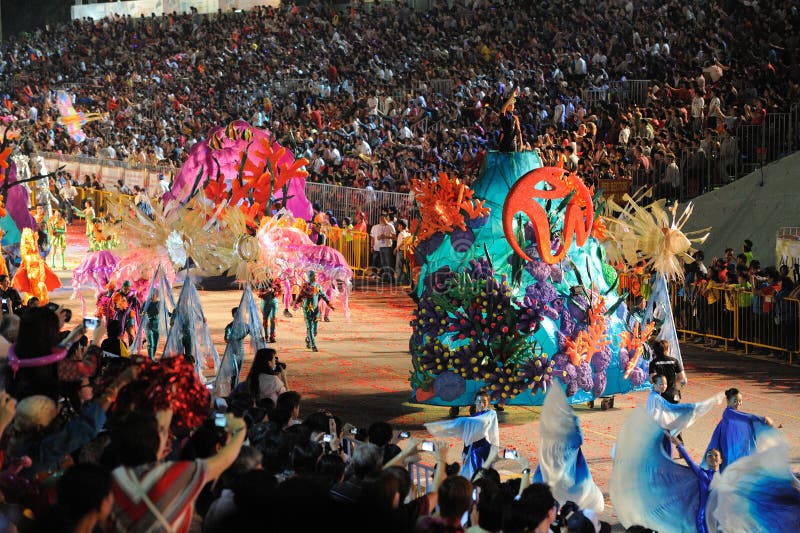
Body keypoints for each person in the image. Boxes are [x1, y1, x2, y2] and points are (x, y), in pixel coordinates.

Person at [108, 409, 246, 532]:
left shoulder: (112, 479)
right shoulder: (169, 476)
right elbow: (223, 460)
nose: (168, 435)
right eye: (162, 431)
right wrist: (240, 429)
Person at [425, 391, 499, 480]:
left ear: (488, 403)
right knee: (475, 474)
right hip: (474, 449)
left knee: (486, 473)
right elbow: (468, 435)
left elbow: (492, 432)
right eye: (479, 401)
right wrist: (465, 451)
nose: (482, 404)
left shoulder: (491, 414)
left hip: (486, 447)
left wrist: (494, 448)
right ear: (475, 402)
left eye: (484, 402)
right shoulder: (472, 418)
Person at [704, 387, 775, 472]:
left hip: (730, 446)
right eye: (735, 401)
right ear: (728, 401)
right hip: (728, 446)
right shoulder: (730, 413)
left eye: (740, 401)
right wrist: (763, 419)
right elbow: (746, 417)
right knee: (729, 464)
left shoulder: (731, 414)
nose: (738, 403)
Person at [670, 435, 721, 533]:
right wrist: (679, 445)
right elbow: (690, 462)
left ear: (721, 460)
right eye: (709, 455)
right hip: (703, 518)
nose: (713, 457)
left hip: (720, 518)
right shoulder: (703, 475)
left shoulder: (725, 476)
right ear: (706, 460)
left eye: (716, 455)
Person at [11, 228, 62, 305]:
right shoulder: (27, 257)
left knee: (41, 290)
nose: (33, 245)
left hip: (40, 278)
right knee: (33, 294)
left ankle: (41, 305)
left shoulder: (36, 255)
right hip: (32, 279)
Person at [294, 271, 334, 352]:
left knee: (315, 331)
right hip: (307, 309)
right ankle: (313, 345)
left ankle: (308, 339)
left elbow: (323, 295)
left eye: (316, 276)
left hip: (316, 310)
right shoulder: (305, 286)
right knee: (309, 327)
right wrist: (296, 304)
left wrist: (329, 303)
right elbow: (300, 296)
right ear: (310, 276)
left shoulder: (318, 286)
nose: (316, 277)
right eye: (314, 276)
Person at [647, 339, 686, 403]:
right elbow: (682, 376)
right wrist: (673, 382)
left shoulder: (654, 363)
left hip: (660, 394)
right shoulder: (674, 361)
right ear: (667, 349)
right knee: (673, 411)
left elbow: (652, 380)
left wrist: (661, 383)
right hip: (673, 393)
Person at [224, 307, 251, 375]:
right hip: (232, 351)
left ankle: (234, 384)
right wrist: (234, 338)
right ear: (233, 315)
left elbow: (253, 333)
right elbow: (226, 339)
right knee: (234, 371)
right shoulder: (230, 326)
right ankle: (233, 384)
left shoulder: (245, 326)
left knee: (238, 371)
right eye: (236, 314)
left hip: (240, 351)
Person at [112, 280, 139, 344]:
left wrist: (135, 300)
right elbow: (115, 308)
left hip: (130, 317)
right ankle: (120, 349)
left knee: (131, 333)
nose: (127, 290)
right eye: (125, 289)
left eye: (128, 289)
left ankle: (131, 349)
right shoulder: (117, 295)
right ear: (122, 287)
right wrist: (120, 308)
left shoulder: (132, 295)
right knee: (120, 333)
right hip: (120, 317)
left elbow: (135, 306)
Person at [257, 278, 282, 343]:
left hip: (274, 303)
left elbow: (280, 292)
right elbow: (259, 294)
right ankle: (266, 336)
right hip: (265, 303)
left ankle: (272, 336)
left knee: (273, 319)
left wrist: (274, 291)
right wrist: (267, 291)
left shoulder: (276, 281)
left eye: (270, 272)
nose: (269, 274)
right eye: (267, 273)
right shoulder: (262, 282)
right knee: (265, 319)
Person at [498, 87, 523, 152]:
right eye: (510, 104)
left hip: (513, 144)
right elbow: (503, 108)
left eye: (513, 104)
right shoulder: (503, 115)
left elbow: (518, 131)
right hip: (504, 143)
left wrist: (521, 143)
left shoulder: (515, 117)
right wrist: (512, 97)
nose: (512, 106)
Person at [143, 291, 162, 360]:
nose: (151, 297)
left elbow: (166, 312)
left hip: (157, 325)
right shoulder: (146, 303)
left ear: (156, 296)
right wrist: (142, 313)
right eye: (151, 295)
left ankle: (152, 357)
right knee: (150, 343)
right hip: (148, 324)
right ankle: (150, 359)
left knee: (155, 344)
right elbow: (141, 312)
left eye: (153, 295)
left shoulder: (160, 303)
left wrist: (172, 314)